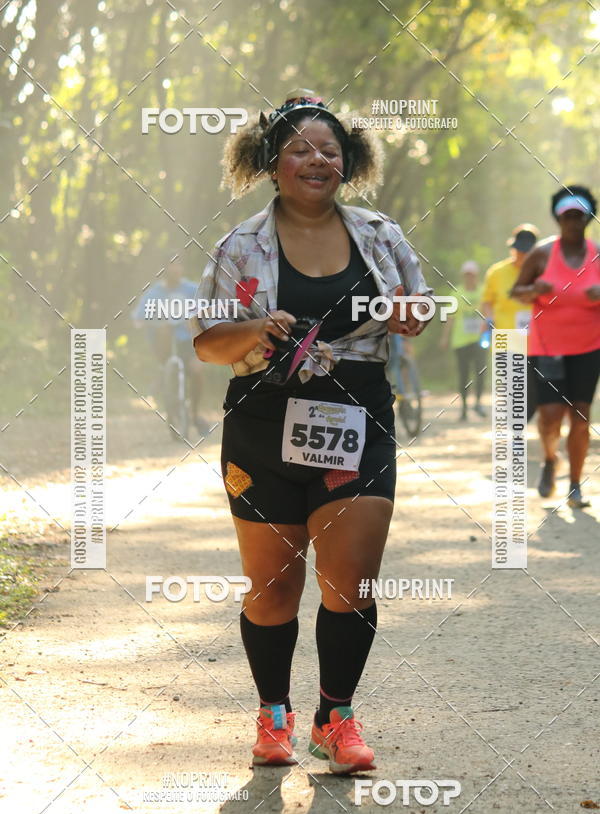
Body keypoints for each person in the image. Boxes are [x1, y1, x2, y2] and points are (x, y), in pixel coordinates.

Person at [191, 92, 433, 774]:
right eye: (299, 149)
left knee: (350, 581)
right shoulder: (240, 246)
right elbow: (208, 343)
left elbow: (419, 302)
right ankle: (274, 716)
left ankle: (335, 717)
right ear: (272, 163)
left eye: (329, 150)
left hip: (357, 415)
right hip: (262, 420)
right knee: (272, 588)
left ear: (348, 162)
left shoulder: (380, 235)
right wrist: (255, 328)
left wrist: (413, 314)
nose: (316, 160)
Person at [511, 185, 600, 508]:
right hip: (548, 347)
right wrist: (535, 288)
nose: (573, 222)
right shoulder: (542, 254)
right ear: (558, 219)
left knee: (581, 416)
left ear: (588, 218)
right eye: (568, 216)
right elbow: (516, 291)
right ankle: (550, 458)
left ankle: (575, 485)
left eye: (579, 216)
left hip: (589, 347)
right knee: (550, 416)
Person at [132, 254, 205, 431]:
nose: (175, 269)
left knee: (197, 370)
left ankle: (194, 414)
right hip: (163, 344)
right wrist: (148, 322)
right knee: (164, 330)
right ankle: (163, 368)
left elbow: (207, 310)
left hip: (187, 343)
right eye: (171, 265)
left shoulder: (192, 289)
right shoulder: (153, 293)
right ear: (164, 269)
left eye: (178, 265)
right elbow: (138, 318)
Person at [481, 224, 540, 421]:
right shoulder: (497, 272)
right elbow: (487, 301)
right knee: (512, 391)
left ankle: (519, 422)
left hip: (534, 343)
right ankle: (515, 429)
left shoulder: (542, 272)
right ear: (512, 248)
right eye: (519, 250)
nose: (522, 255)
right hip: (506, 341)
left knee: (533, 394)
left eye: (527, 251)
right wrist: (489, 319)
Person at [440, 260, 487, 420]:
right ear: (463, 276)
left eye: (472, 275)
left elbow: (490, 313)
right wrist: (445, 337)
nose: (469, 278)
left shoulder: (484, 292)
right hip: (461, 341)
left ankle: (478, 403)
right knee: (463, 375)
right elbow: (450, 318)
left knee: (481, 371)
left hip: (480, 339)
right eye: (467, 275)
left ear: (476, 276)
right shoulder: (456, 294)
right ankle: (464, 408)